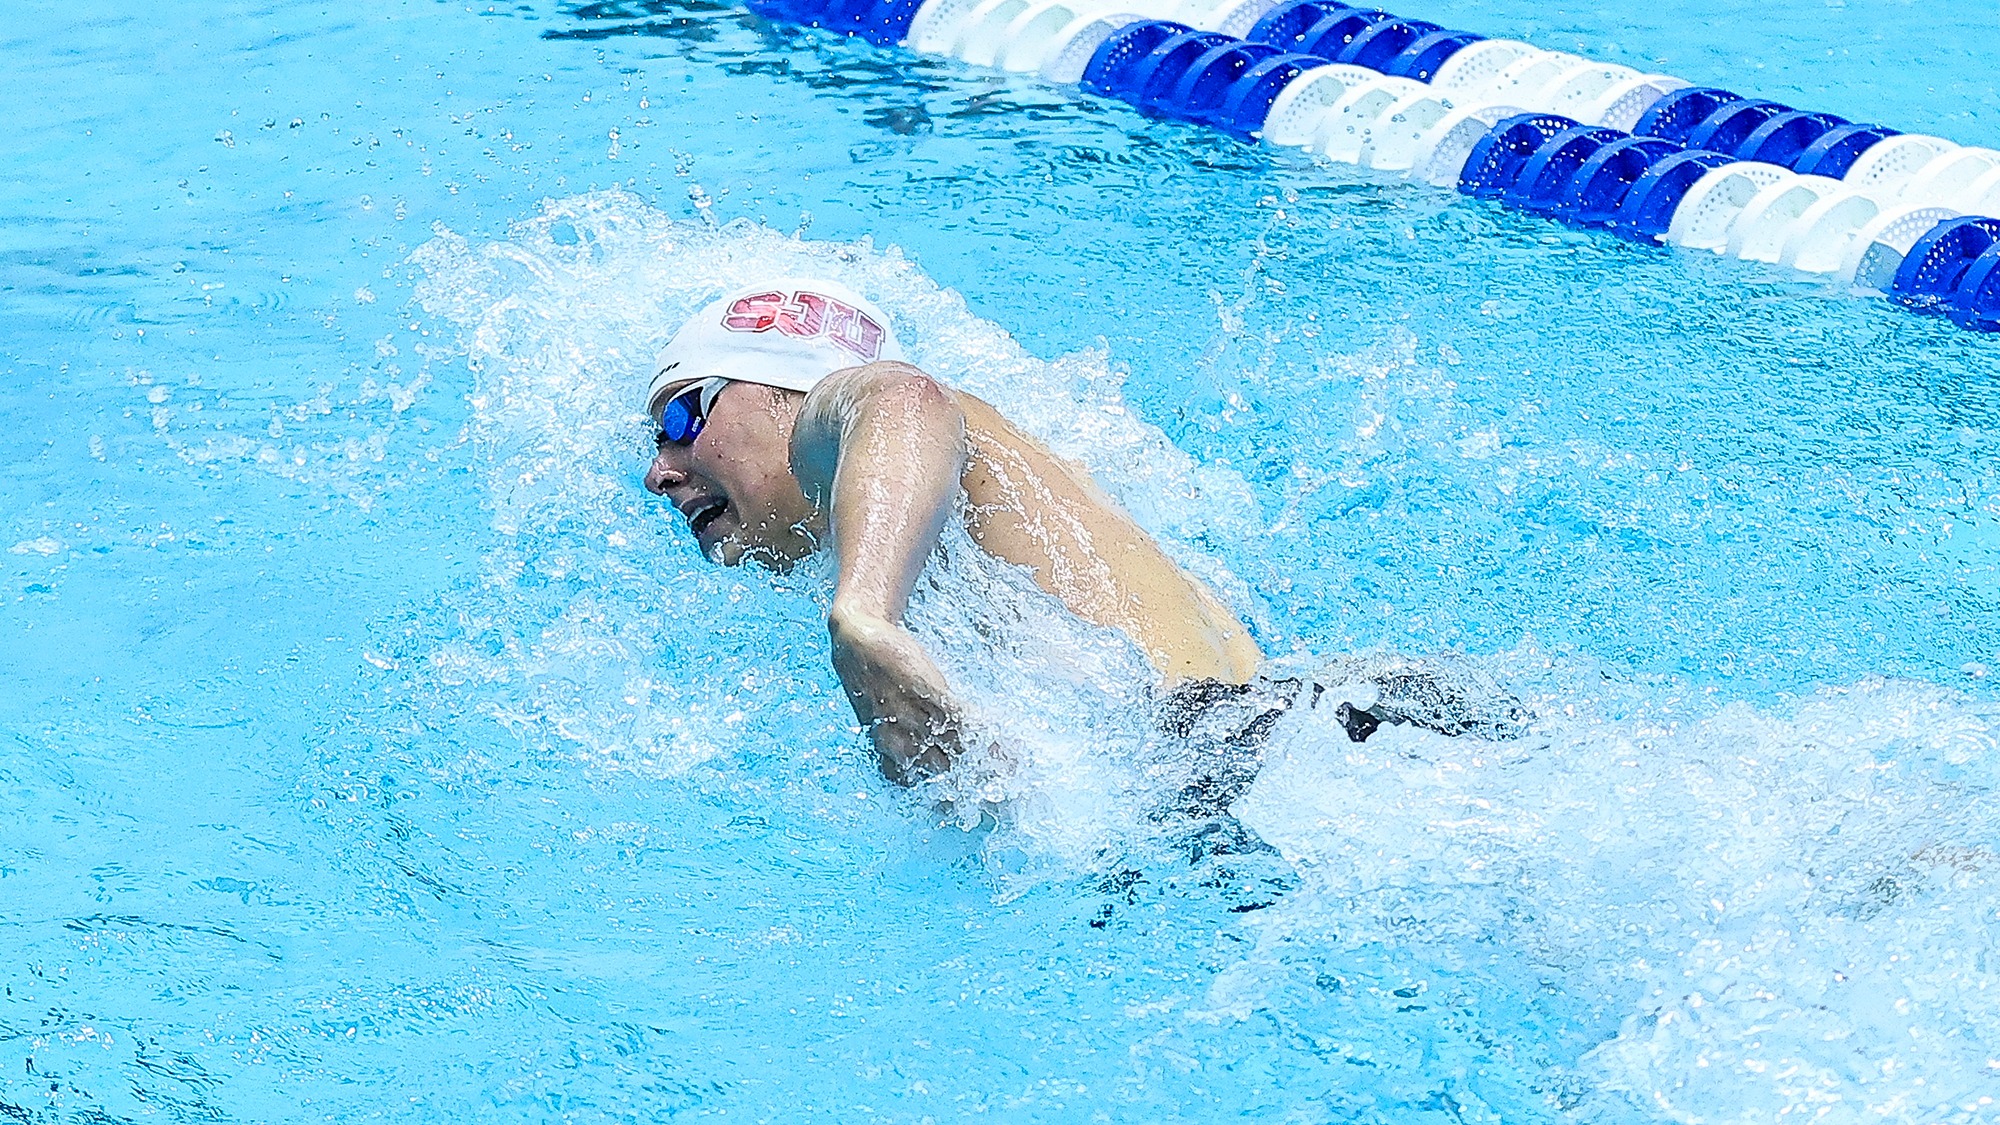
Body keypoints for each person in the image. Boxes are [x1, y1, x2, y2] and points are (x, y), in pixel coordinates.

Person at [643, 278, 1518, 791]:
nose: (661, 468)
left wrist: (868, 618)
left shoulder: (845, 415)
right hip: (1300, 721)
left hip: (1227, 748)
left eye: (683, 413)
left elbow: (900, 396)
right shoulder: (993, 504)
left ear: (780, 390)